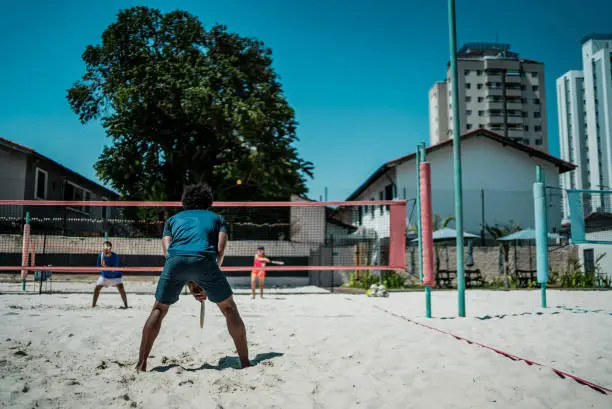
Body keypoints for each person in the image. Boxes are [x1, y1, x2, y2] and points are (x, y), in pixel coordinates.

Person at [136, 183, 250, 371]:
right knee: (229, 308)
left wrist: (190, 281)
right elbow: (219, 251)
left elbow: (169, 253)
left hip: (174, 262)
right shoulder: (217, 218)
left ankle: (141, 364)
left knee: (158, 309)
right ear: (208, 201)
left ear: (185, 201)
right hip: (204, 260)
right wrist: (203, 281)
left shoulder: (172, 220)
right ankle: (245, 363)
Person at [92, 241, 128, 308]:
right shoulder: (100, 255)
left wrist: (104, 265)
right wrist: (101, 266)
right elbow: (98, 267)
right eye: (104, 247)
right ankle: (93, 305)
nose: (105, 249)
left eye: (107, 247)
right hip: (105, 276)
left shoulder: (115, 256)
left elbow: (113, 269)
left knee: (121, 289)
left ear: (110, 248)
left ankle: (126, 306)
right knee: (97, 288)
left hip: (115, 276)